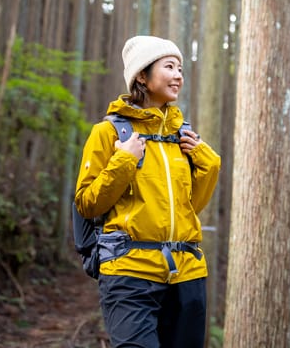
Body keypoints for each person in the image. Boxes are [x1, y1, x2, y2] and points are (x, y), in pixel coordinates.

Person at [74, 35, 221, 348]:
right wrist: (124, 160)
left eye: (180, 68)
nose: (178, 75)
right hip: (129, 273)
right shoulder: (109, 133)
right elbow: (87, 203)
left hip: (187, 273)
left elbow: (191, 207)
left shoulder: (184, 136)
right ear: (142, 75)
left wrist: (209, 165)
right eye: (169, 66)